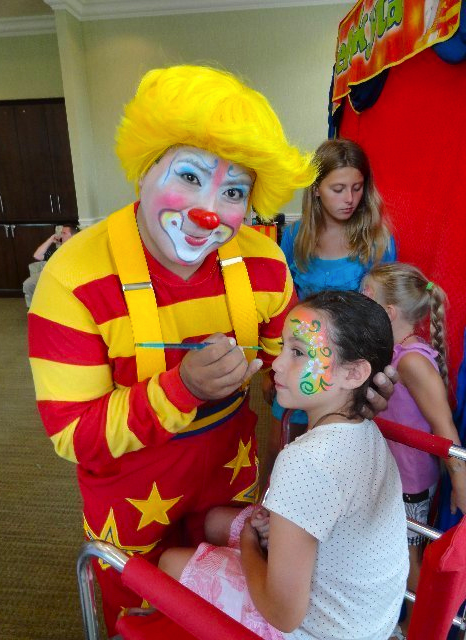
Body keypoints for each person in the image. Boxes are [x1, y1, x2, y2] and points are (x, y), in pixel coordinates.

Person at [28, 65, 395, 635]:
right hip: (128, 498)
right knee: (136, 612)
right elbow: (71, 434)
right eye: (190, 176)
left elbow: (291, 367)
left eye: (232, 192)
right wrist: (183, 389)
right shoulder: (71, 279)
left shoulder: (264, 262)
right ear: (145, 168)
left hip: (231, 479)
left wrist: (353, 388)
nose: (206, 211)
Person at [159, 290, 409, 640]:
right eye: (283, 347)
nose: (275, 363)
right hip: (369, 621)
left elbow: (283, 615)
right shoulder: (363, 429)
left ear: (354, 374)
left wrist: (249, 544)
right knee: (214, 521)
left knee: (170, 562)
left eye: (298, 353)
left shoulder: (306, 461)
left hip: (314, 630)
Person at [268, 138, 397, 465]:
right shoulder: (294, 237)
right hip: (299, 363)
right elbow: (282, 305)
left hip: (346, 374)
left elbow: (385, 321)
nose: (350, 199)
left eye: (357, 188)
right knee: (284, 456)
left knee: (335, 465)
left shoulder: (377, 241)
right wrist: (278, 367)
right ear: (315, 189)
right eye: (338, 189)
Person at [362, 262, 466, 637]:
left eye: (365, 296)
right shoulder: (394, 351)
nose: (360, 301)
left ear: (388, 312)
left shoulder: (411, 361)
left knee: (409, 562)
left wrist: (459, 482)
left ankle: (419, 629)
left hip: (411, 483)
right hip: (395, 475)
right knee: (394, 556)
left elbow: (445, 429)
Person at [22, 224, 79, 307]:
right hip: (50, 273)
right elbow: (37, 255)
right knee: (29, 284)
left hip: (65, 276)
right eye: (61, 233)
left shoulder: (78, 249)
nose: (61, 235)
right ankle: (36, 309)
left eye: (64, 233)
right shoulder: (57, 251)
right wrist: (50, 239)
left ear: (73, 236)